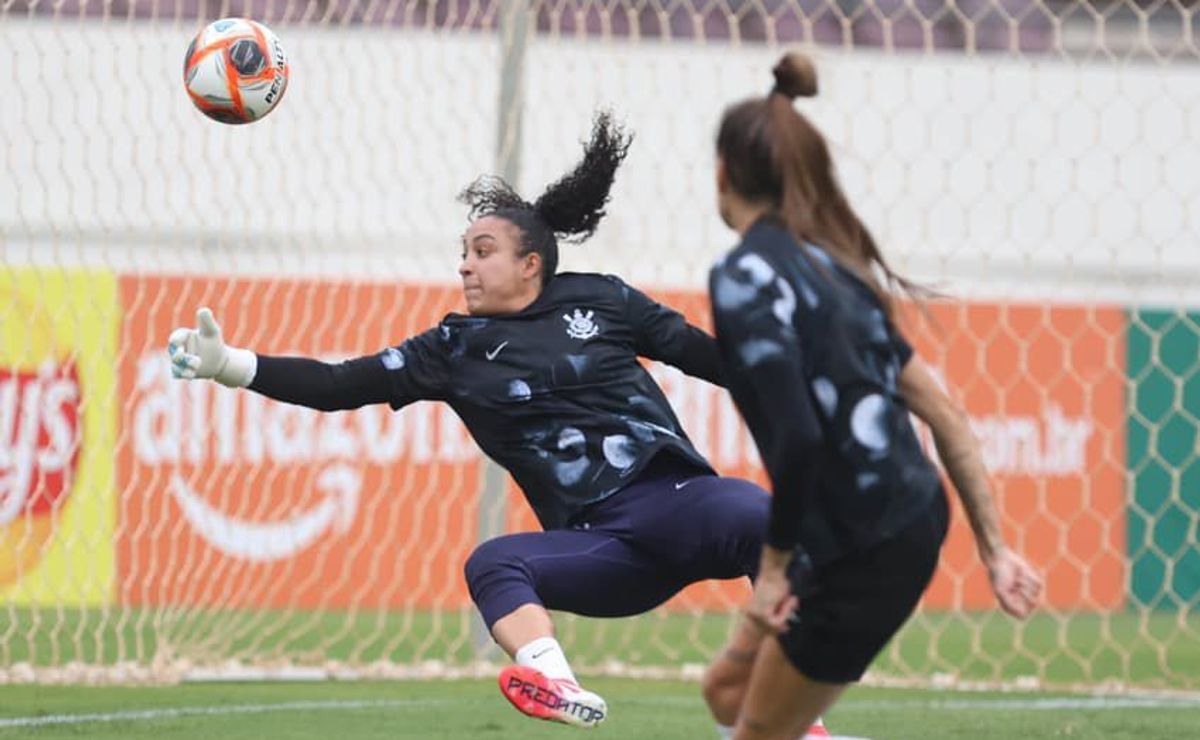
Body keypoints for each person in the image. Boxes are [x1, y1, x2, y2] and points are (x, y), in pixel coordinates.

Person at [165, 111, 830, 735]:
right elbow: (341, 385)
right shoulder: (451, 350)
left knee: (759, 516)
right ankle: (558, 686)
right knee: (494, 560)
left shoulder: (606, 301)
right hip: (606, 549)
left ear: (529, 263)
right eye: (464, 250)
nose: (465, 263)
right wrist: (233, 365)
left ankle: (789, 721)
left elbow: (710, 359)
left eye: (482, 250)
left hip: (679, 503)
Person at [699, 54, 1044, 739]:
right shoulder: (835, 268)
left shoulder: (741, 277)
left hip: (865, 541)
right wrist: (995, 551)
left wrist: (770, 573)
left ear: (723, 174)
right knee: (726, 689)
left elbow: (798, 441)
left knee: (756, 733)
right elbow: (942, 411)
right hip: (898, 520)